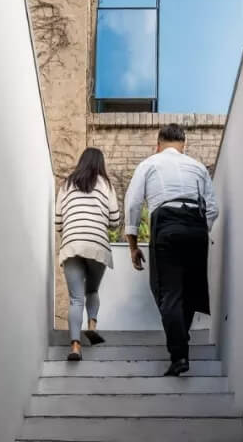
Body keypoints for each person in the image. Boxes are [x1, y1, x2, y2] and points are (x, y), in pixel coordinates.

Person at [124, 124, 219, 377]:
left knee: (167, 292)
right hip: (197, 226)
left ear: (158, 144)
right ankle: (180, 341)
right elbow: (212, 208)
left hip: (166, 224)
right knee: (189, 290)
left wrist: (133, 246)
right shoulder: (198, 167)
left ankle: (179, 355)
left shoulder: (149, 164)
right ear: (184, 145)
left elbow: (133, 203)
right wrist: (201, 229)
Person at [55, 147, 121, 362]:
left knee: (75, 298)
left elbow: (58, 222)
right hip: (96, 244)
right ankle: (92, 325)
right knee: (91, 290)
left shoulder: (66, 184)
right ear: (100, 164)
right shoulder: (106, 185)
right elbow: (115, 221)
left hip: (72, 244)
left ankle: (75, 347)